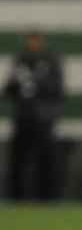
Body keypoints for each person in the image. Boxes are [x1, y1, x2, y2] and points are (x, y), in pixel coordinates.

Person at [4, 32, 64, 200]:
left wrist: (36, 86)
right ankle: (16, 196)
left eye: (35, 40)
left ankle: (46, 196)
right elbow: (9, 90)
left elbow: (57, 90)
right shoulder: (20, 60)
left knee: (45, 159)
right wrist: (15, 84)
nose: (33, 44)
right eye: (30, 40)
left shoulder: (51, 60)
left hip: (43, 118)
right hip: (22, 117)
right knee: (17, 159)